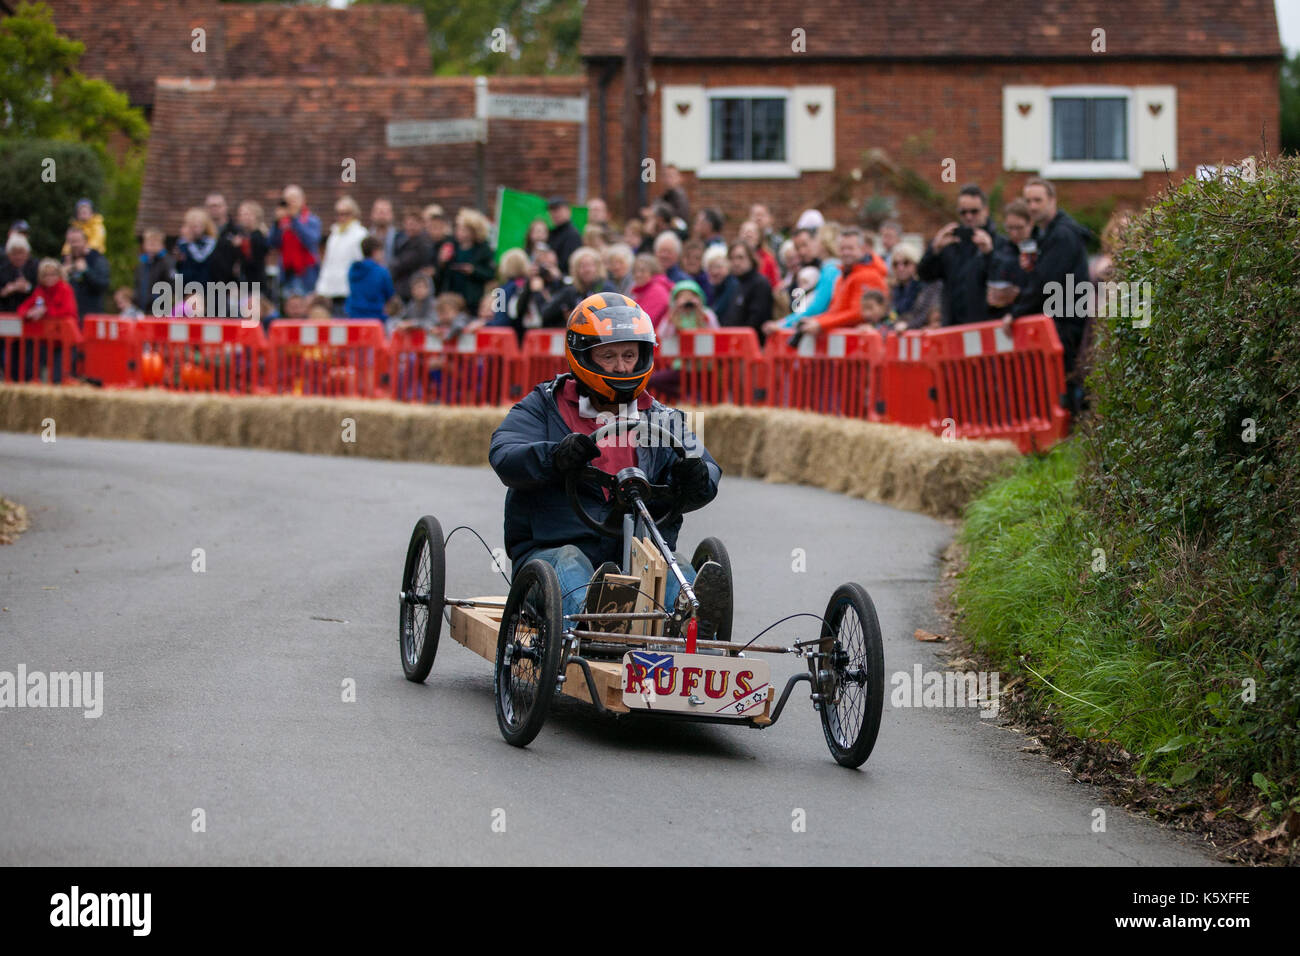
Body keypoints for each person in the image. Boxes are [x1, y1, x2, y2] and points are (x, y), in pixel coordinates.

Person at [488, 292, 727, 636]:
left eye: (629, 355)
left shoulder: (663, 417)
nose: (621, 367)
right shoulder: (545, 405)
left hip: (639, 556)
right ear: (583, 356)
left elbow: (709, 473)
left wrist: (694, 477)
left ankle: (694, 626)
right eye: (609, 356)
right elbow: (504, 454)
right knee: (570, 561)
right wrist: (555, 457)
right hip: (552, 551)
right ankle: (597, 626)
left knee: (674, 570)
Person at [1011, 177, 1093, 406]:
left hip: (1067, 321)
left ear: (1052, 200)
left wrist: (1016, 312)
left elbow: (1045, 281)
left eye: (1038, 200)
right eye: (1028, 200)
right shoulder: (1044, 234)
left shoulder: (1062, 234)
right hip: (1058, 318)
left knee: (1063, 387)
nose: (1033, 206)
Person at [917, 184, 1009, 325]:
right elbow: (924, 275)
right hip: (953, 326)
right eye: (963, 212)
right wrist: (934, 249)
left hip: (985, 327)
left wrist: (989, 253)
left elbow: (1005, 278)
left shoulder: (999, 243)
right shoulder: (951, 243)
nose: (969, 217)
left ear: (986, 211)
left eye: (974, 212)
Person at [795, 228, 888, 336]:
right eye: (842, 248)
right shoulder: (843, 276)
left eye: (850, 248)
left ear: (862, 249)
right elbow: (835, 311)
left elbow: (858, 313)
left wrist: (821, 323)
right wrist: (817, 320)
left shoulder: (868, 276)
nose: (846, 252)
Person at [764, 227, 839, 336]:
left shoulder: (829, 269)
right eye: (797, 248)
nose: (802, 252)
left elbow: (815, 308)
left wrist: (782, 324)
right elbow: (797, 308)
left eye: (805, 245)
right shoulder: (797, 277)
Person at [538, 246, 615, 327]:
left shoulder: (607, 289)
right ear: (575, 270)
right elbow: (546, 313)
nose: (587, 270)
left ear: (598, 267)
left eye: (590, 265)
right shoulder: (571, 291)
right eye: (582, 266)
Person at [316, 196, 368, 312]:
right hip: (332, 291)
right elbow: (328, 263)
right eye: (339, 214)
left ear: (354, 213)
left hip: (350, 292)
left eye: (345, 213)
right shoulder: (334, 235)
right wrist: (321, 289)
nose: (342, 217)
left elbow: (361, 263)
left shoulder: (360, 234)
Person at [269, 185, 323, 298]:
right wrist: (276, 222)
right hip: (287, 274)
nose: (290, 203)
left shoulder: (312, 220)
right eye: (287, 200)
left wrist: (295, 220)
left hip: (306, 275)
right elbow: (272, 243)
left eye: (293, 199)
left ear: (303, 200)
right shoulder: (282, 222)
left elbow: (311, 241)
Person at [438, 208, 495, 314]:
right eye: (458, 229)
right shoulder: (451, 245)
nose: (459, 232)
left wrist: (474, 270)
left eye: (463, 230)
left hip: (472, 298)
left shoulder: (483, 249)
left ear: (473, 231)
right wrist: (442, 261)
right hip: (452, 297)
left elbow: (491, 273)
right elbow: (442, 272)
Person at [719, 241, 774, 343]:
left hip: (753, 347)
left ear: (751, 259)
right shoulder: (736, 284)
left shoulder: (760, 283)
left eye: (740, 257)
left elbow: (756, 320)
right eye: (732, 258)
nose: (736, 262)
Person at [889, 242, 943, 332]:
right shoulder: (894, 291)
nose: (900, 268)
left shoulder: (927, 287)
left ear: (915, 264)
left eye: (906, 263)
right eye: (896, 264)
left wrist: (907, 325)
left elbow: (925, 314)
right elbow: (890, 316)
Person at [61, 227, 110, 320]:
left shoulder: (97, 259)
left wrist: (86, 271)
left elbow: (103, 285)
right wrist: (62, 275)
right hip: (70, 317)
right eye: (71, 242)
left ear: (85, 242)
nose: (74, 245)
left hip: (91, 315)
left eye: (77, 241)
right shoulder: (65, 261)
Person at [345, 236, 395, 320]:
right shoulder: (381, 272)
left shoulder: (353, 269)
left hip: (354, 316)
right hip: (375, 317)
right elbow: (389, 294)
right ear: (375, 252)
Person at [391, 208, 434, 301]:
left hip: (414, 291)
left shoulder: (423, 243)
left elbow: (404, 263)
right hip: (403, 289)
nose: (410, 227)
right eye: (408, 224)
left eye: (413, 224)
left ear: (421, 224)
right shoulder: (402, 241)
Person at [175, 208, 219, 288]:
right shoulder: (182, 243)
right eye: (192, 226)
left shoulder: (210, 242)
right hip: (184, 288)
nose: (195, 229)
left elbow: (200, 260)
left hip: (205, 288)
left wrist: (190, 244)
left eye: (198, 225)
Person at [629, 253, 672, 323]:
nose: (638, 274)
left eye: (642, 271)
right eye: (635, 271)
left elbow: (645, 321)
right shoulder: (641, 290)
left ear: (653, 272)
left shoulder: (657, 291)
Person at [0, 234, 39, 313]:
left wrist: (28, 287)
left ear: (27, 253)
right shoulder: (2, 270)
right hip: (7, 315)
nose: (18, 257)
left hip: (31, 315)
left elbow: (44, 290)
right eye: (14, 254)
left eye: (21, 253)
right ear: (8, 255)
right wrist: (5, 291)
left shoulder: (36, 268)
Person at [738, 219, 780, 288]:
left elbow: (775, 285)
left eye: (752, 232)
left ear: (759, 237)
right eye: (745, 232)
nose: (748, 235)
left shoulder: (768, 259)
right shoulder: (733, 258)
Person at [546, 197, 582, 274]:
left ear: (568, 211)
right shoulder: (551, 233)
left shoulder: (572, 235)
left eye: (558, 210)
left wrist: (554, 262)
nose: (554, 213)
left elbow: (569, 264)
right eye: (552, 210)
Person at [702, 244, 737, 320]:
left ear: (728, 267)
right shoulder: (712, 287)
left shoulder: (732, 286)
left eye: (719, 267)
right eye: (711, 267)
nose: (715, 271)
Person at [369, 199, 402, 265]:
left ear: (392, 215)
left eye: (385, 212)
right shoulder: (366, 236)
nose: (382, 215)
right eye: (379, 212)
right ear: (372, 214)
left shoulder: (401, 238)